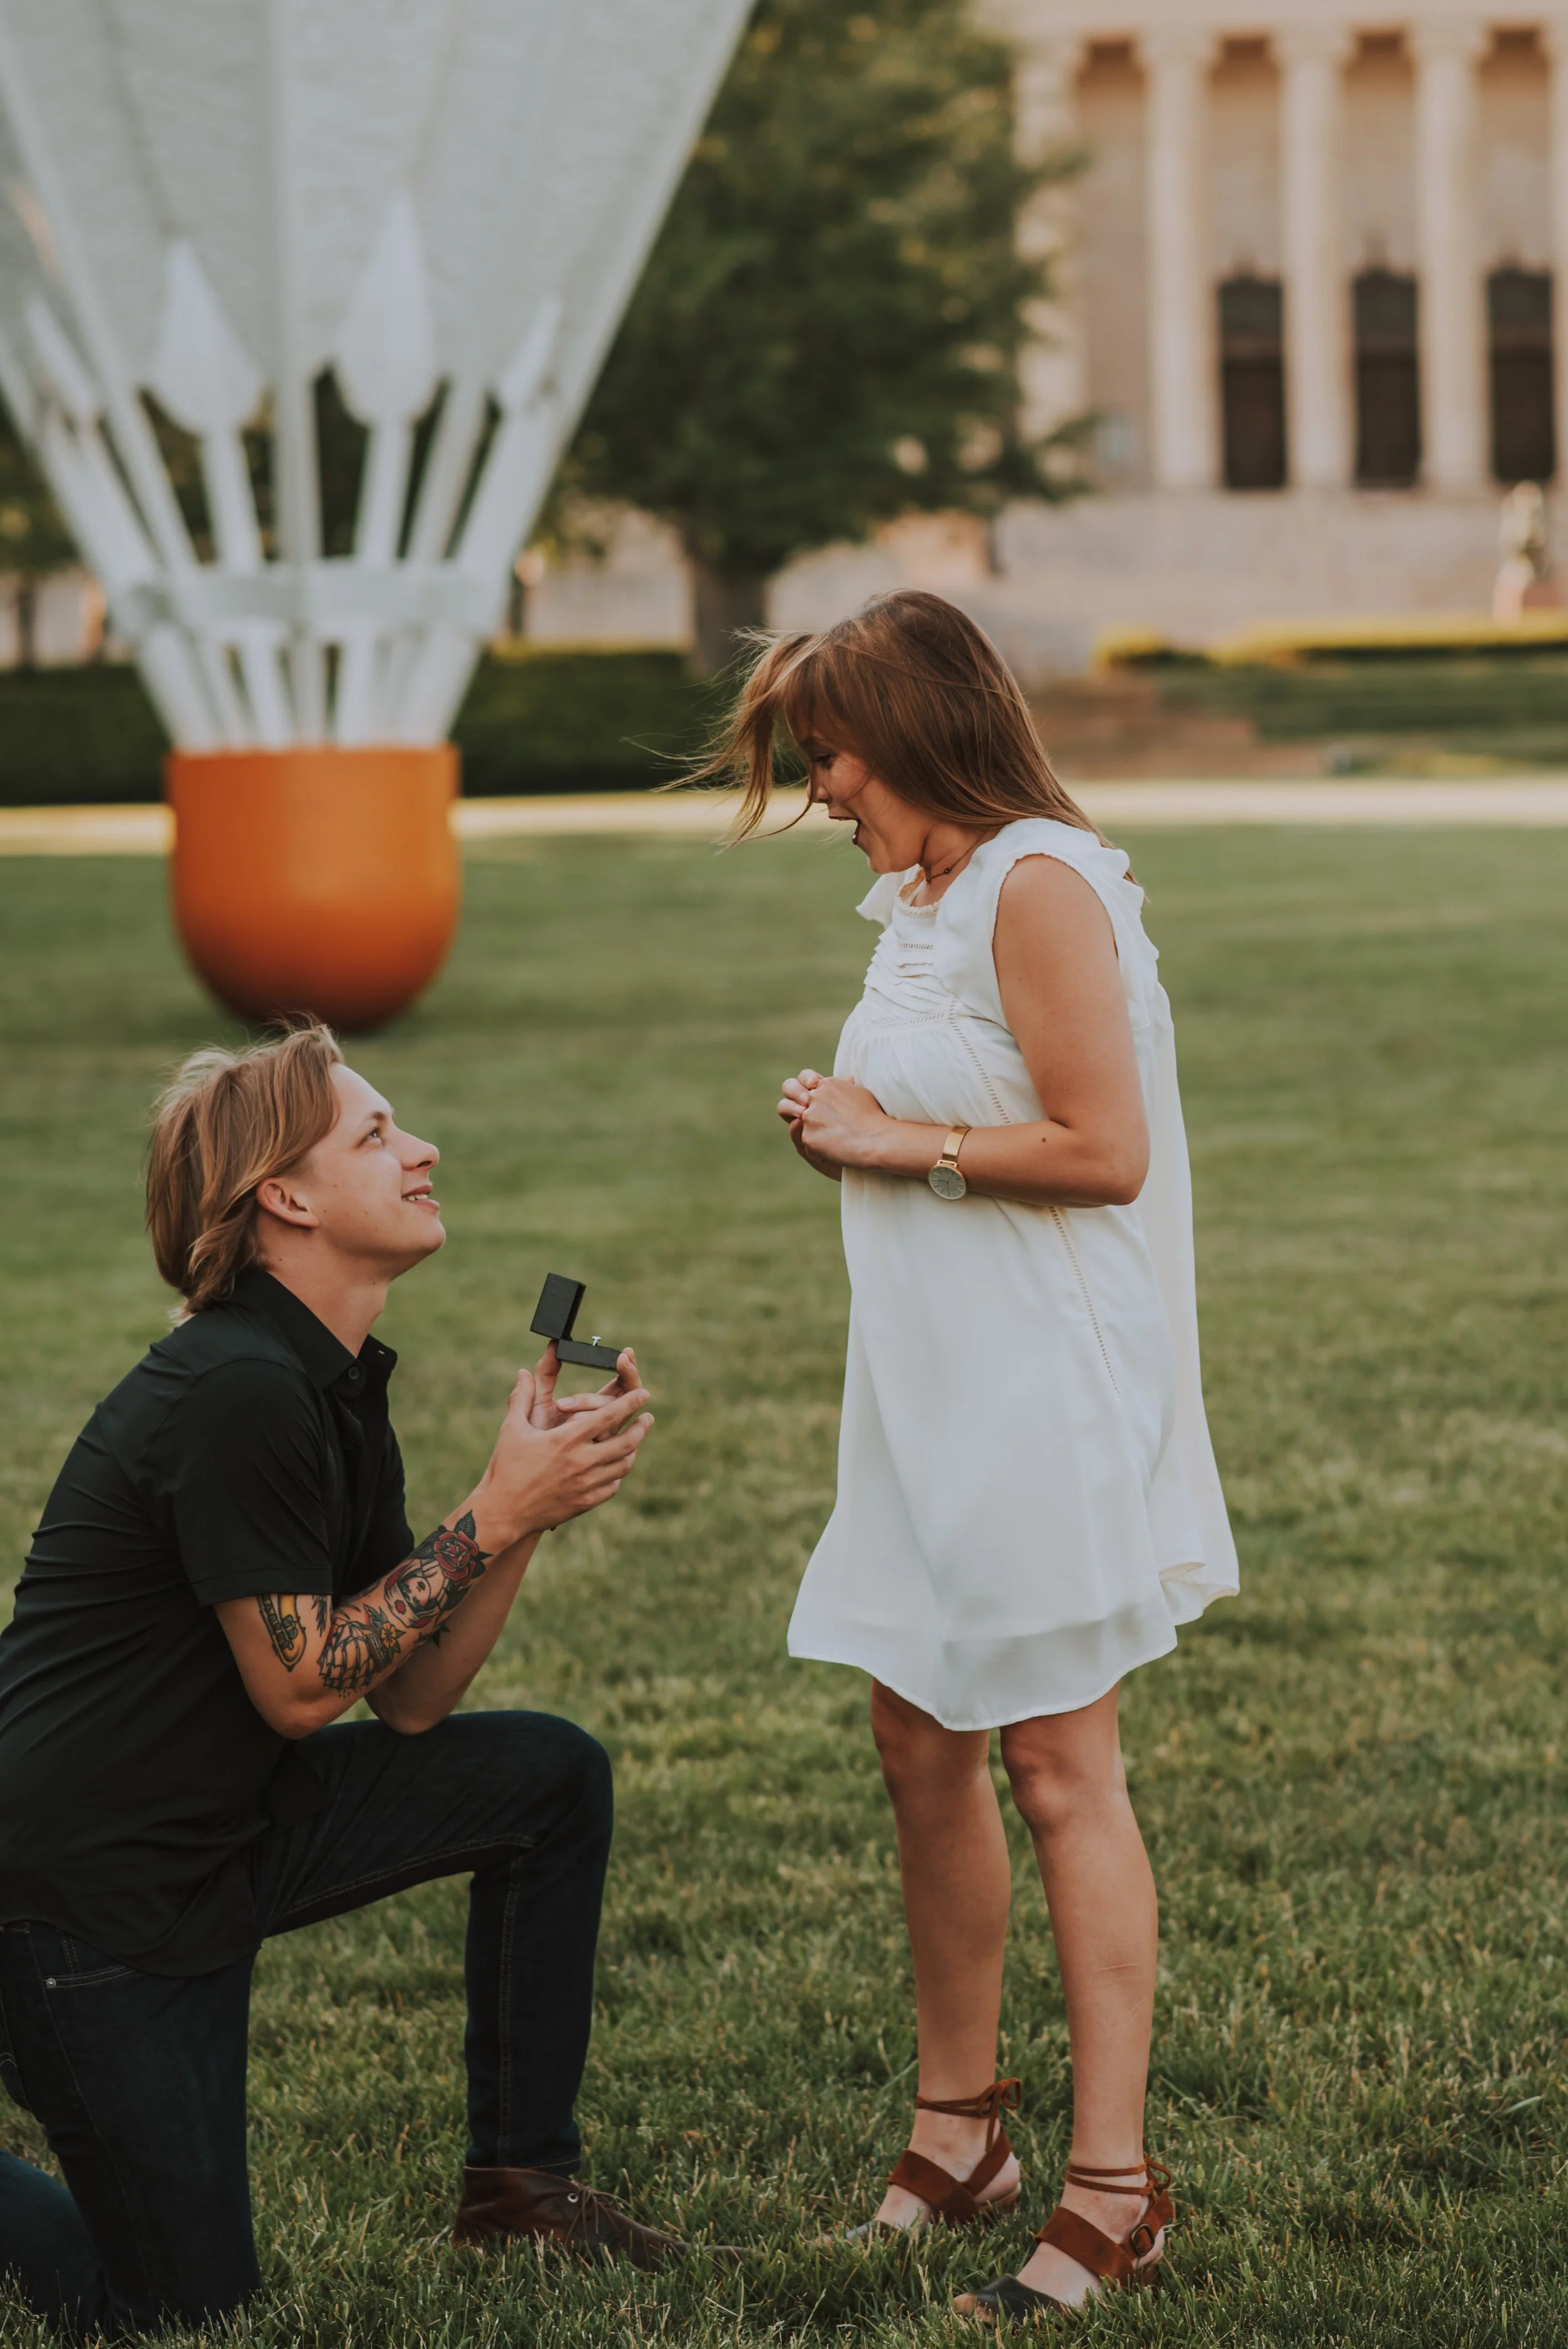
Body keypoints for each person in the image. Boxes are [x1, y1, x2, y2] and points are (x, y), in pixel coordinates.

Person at [0, 1022, 704, 2340]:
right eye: (378, 1135)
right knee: (179, 2313)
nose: (422, 1148)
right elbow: (303, 1687)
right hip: (86, 1896)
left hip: (218, 1831)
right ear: (287, 1197)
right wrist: (491, 1514)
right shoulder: (235, 1390)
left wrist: (525, 1504)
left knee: (546, 1778)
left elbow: (410, 1695)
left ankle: (519, 2189)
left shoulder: (328, 1387)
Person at [708, 591, 1237, 2321]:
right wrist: (845, 1135)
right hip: (927, 1386)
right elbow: (943, 1114)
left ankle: (1109, 2188)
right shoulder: (920, 892)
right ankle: (959, 2137)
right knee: (912, 1730)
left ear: (919, 728)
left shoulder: (1040, 880)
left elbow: (1102, 1150)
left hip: (1041, 1384)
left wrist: (896, 1139)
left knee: (1056, 1766)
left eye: (828, 754)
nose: (819, 791)